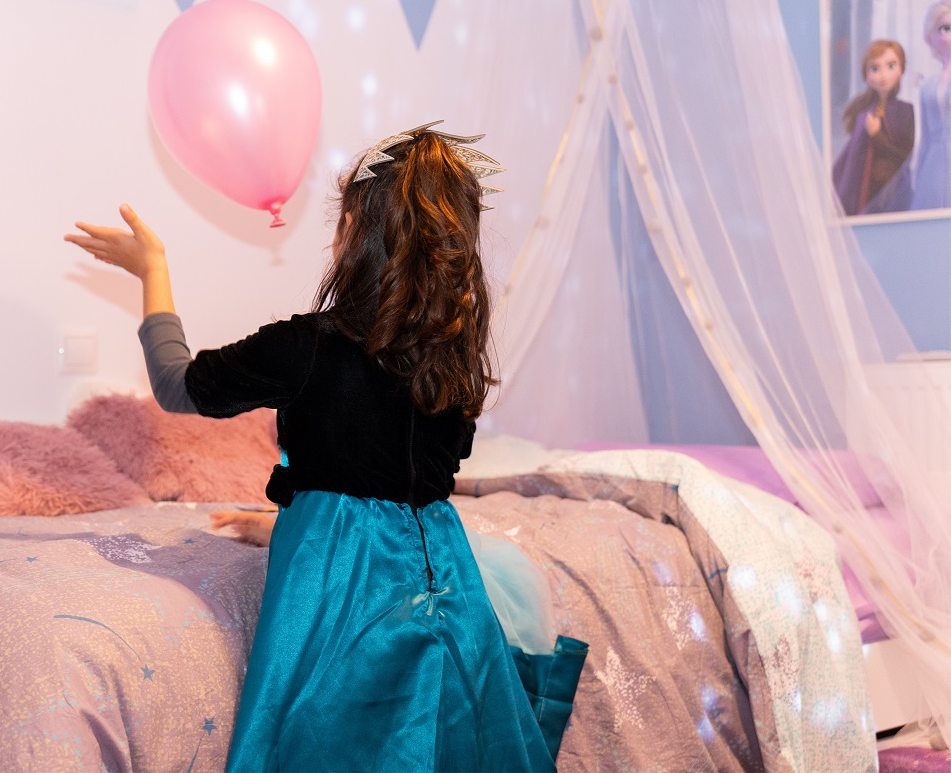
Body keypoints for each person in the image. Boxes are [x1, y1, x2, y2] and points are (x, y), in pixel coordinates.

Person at [65, 122, 585, 772]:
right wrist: (286, 523)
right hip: (446, 575)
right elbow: (403, 486)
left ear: (354, 233)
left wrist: (153, 270)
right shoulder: (451, 362)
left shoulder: (307, 346)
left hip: (340, 583)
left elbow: (179, 386)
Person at [832, 39, 915, 215]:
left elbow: (905, 154)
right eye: (875, 69)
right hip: (865, 187)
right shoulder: (863, 112)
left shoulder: (906, 111)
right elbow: (852, 156)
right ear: (866, 75)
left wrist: (876, 135)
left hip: (895, 187)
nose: (883, 76)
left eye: (891, 66)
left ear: (901, 69)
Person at [911, 0, 951, 211]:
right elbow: (925, 137)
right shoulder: (927, 87)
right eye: (944, 28)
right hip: (933, 165)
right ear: (931, 36)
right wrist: (918, 174)